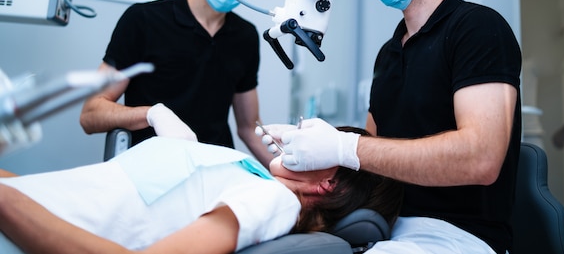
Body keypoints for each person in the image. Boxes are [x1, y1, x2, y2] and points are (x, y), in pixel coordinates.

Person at [257, 0, 522, 254]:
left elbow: (482, 159)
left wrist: (343, 147)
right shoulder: (390, 51)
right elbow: (371, 158)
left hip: (459, 236)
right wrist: (307, 156)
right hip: (386, 225)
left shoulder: (476, 28)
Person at [0, 128, 402, 254]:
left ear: (329, 182)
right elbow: (74, 192)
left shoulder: (274, 200)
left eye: (322, 140)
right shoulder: (252, 178)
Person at [80, 0, 273, 167]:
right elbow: (91, 113)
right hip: (152, 170)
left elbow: (248, 127)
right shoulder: (144, 20)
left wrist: (291, 172)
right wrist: (152, 114)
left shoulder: (245, 36)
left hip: (216, 170)